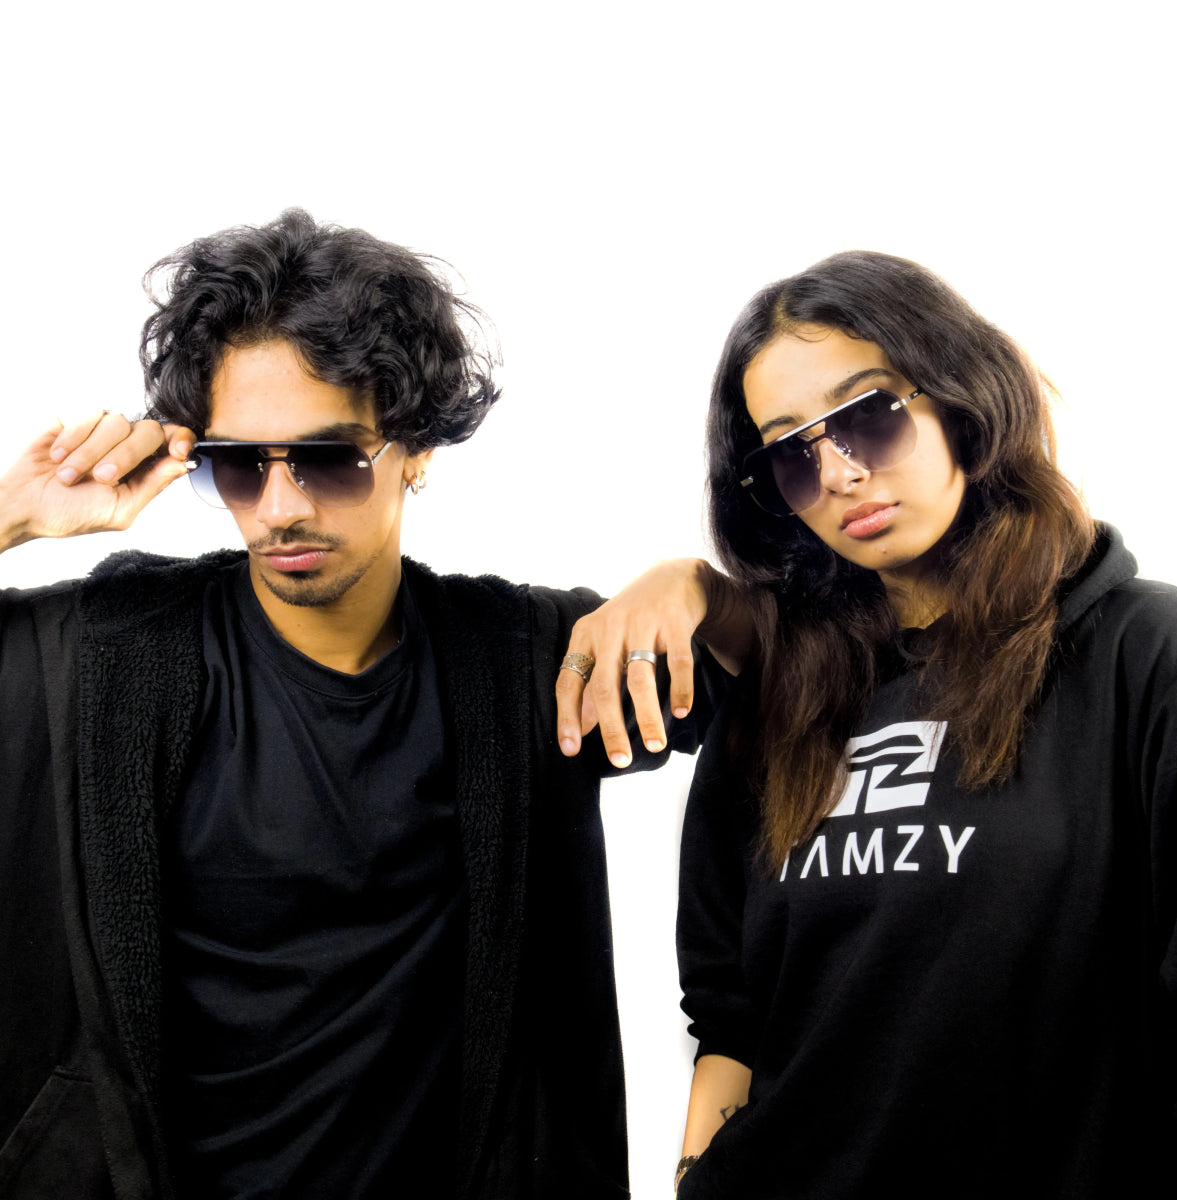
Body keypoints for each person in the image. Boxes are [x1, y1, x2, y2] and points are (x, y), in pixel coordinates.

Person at [0, 209, 742, 1200]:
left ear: (416, 450)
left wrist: (701, 589)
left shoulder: (526, 665)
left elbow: (821, 668)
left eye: (330, 459)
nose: (282, 508)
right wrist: (10, 516)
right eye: (240, 465)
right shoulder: (107, 658)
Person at [673, 251, 1177, 1198]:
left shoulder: (1151, 657)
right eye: (791, 453)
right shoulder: (778, 701)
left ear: (960, 396)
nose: (839, 473)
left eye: (867, 414)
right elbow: (731, 1020)